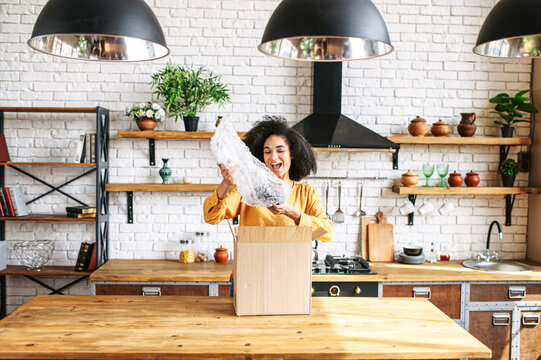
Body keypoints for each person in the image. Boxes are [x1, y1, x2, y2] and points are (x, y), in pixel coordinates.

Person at [203, 115, 334, 242]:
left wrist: (292, 213)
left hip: (291, 263)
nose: (273, 157)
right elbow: (211, 217)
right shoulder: (249, 190)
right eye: (267, 151)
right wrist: (226, 183)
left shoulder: (305, 192)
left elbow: (328, 232)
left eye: (280, 150)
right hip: (253, 263)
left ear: (292, 154)